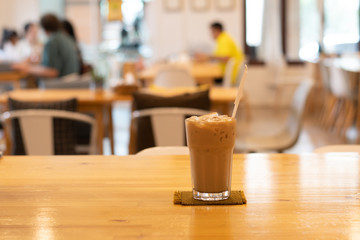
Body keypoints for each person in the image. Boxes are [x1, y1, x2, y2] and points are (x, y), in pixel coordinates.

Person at [12, 14, 79, 78]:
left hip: (60, 84)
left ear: (45, 29)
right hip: (72, 81)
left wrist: (28, 69)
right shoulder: (68, 39)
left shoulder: (52, 42)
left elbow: (53, 72)